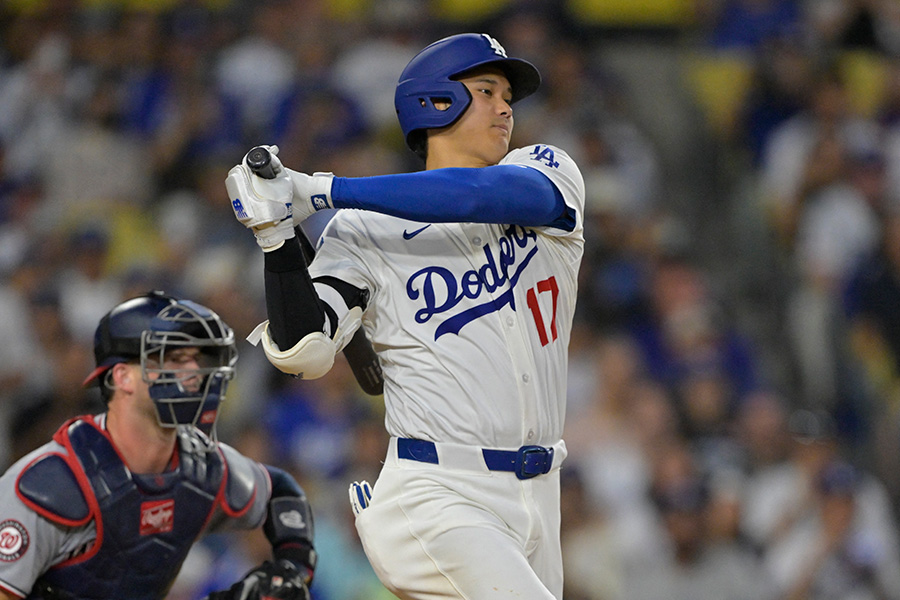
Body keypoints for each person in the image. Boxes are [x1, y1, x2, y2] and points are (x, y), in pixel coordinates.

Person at [225, 32, 585, 599]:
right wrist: (277, 240)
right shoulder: (362, 232)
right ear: (435, 103)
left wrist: (321, 190)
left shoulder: (545, 169)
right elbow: (306, 350)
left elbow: (470, 196)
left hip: (541, 490)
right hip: (437, 494)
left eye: (507, 95)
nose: (505, 106)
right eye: (486, 90)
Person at [0, 291, 317, 600]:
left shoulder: (202, 467)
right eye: (175, 359)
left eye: (198, 359)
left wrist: (292, 568)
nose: (194, 372)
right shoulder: (49, 485)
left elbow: (280, 491)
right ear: (122, 377)